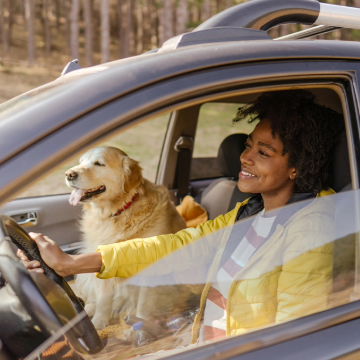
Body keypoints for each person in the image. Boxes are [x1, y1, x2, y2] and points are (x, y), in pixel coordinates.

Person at [18, 89, 344, 344]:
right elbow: (174, 246)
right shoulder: (249, 212)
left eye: (263, 152)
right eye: (248, 145)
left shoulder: (311, 230)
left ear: (297, 167)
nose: (244, 157)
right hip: (202, 340)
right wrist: (72, 264)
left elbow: (295, 339)